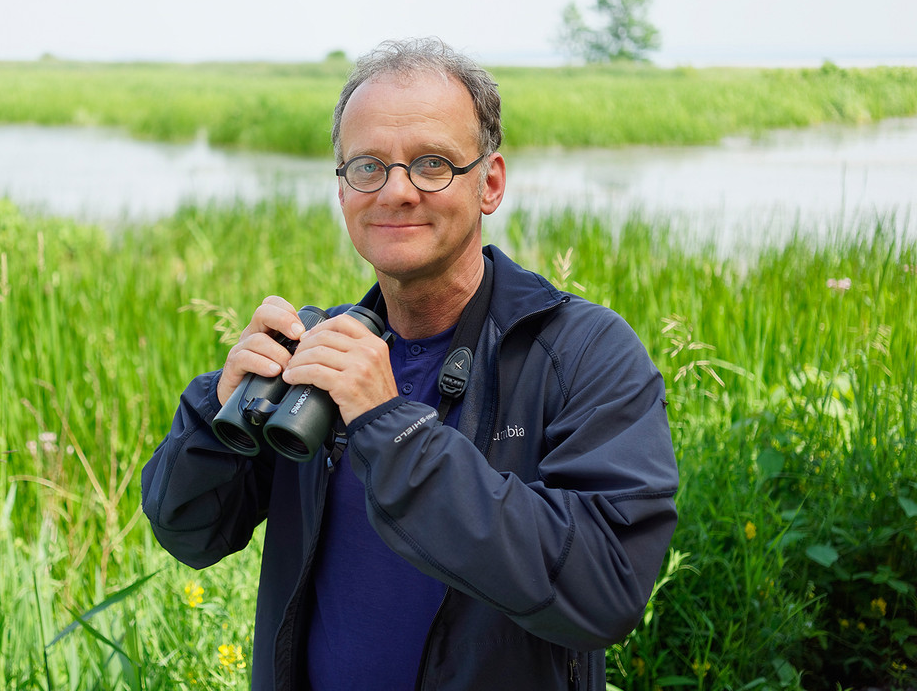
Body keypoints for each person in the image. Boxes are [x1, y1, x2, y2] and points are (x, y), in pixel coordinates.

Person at [141, 37, 678, 690]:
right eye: (367, 166)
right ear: (342, 191)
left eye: (431, 164)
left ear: (490, 183)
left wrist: (391, 428)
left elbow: (605, 590)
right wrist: (215, 411)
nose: (396, 191)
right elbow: (190, 534)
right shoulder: (318, 357)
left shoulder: (580, 353)